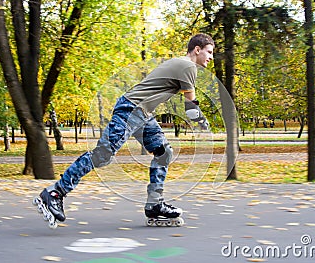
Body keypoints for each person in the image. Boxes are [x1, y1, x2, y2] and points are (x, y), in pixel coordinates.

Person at [37, 33, 215, 224]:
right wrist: (204, 124)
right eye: (209, 52)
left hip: (143, 113)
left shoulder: (181, 64)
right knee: (103, 154)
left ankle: (155, 204)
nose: (211, 58)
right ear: (197, 50)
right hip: (131, 109)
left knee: (163, 152)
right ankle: (55, 193)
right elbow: (191, 107)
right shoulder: (188, 66)